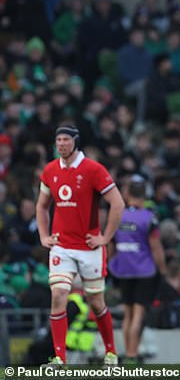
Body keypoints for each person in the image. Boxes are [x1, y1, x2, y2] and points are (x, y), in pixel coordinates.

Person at [35, 125, 125, 367]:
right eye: (58, 140)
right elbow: (42, 205)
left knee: (96, 302)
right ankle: (59, 358)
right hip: (62, 246)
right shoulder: (50, 170)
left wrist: (105, 237)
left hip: (89, 247)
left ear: (75, 141)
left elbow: (117, 203)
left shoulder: (93, 169)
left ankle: (110, 352)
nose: (61, 144)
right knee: (58, 296)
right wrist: (44, 235)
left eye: (66, 139)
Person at [109, 175, 166, 364]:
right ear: (145, 195)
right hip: (144, 270)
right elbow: (156, 247)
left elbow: (111, 245)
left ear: (126, 194)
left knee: (128, 313)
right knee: (139, 314)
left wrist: (111, 263)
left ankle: (127, 352)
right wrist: (163, 269)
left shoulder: (118, 215)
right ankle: (133, 354)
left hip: (123, 269)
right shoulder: (149, 218)